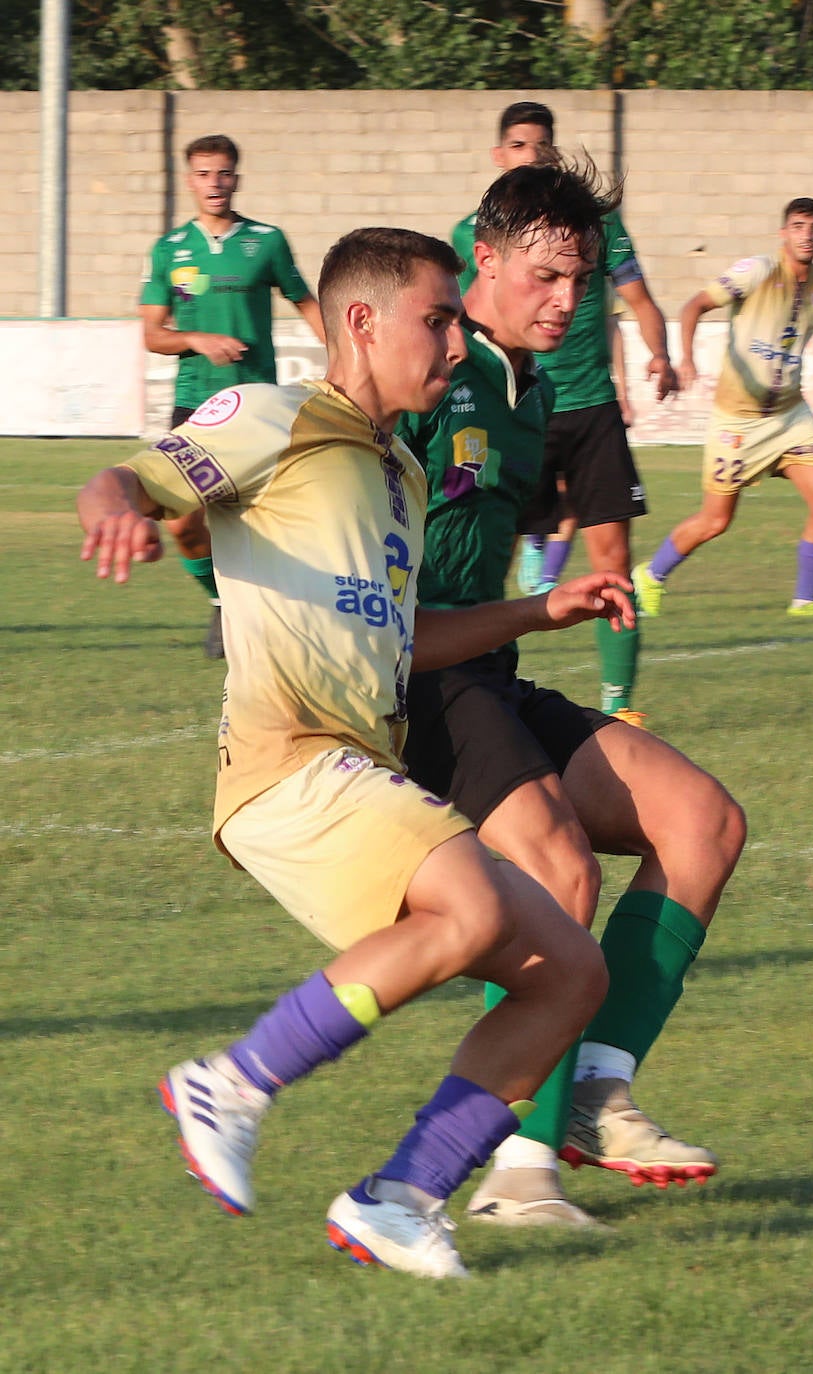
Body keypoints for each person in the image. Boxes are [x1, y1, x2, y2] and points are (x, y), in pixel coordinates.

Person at [79, 226, 640, 1280]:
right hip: (286, 761)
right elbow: (127, 482)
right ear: (362, 323)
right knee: (475, 906)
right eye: (438, 318)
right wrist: (116, 510)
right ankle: (232, 1083)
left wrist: (541, 608)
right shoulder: (272, 416)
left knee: (569, 973)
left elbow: (403, 638)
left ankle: (401, 1196)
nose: (453, 336)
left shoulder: (398, 472)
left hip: (359, 769)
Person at [401, 160, 746, 1229]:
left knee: (703, 822)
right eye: (547, 276)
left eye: (581, 281)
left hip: (484, 668)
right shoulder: (421, 372)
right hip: (405, 683)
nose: (567, 301)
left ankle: (594, 1086)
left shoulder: (532, 391)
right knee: (554, 865)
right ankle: (517, 1169)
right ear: (484, 260)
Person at [452, 101, 677, 721]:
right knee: (470, 544)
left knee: (612, 563)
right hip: (510, 409)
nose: (567, 299)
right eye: (521, 146)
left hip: (586, 405)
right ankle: (534, 543)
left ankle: (621, 704)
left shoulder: (601, 229)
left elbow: (637, 300)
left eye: (578, 281)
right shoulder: (463, 254)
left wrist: (660, 355)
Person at [633, 197, 813, 619]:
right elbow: (694, 305)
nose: (807, 235)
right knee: (716, 521)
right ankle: (651, 576)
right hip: (738, 421)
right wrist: (687, 358)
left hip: (790, 417)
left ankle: (806, 601)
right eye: (799, 226)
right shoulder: (757, 272)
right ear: (783, 232)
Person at [139, 134, 326, 658]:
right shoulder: (170, 250)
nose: (214, 183)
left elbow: (305, 302)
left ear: (236, 178)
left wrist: (346, 356)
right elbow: (153, 335)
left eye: (223, 173)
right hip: (195, 404)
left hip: (258, 406)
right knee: (181, 522)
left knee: (272, 523)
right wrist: (195, 339)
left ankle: (291, 620)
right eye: (203, 174)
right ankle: (223, 601)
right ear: (190, 179)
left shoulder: (265, 241)